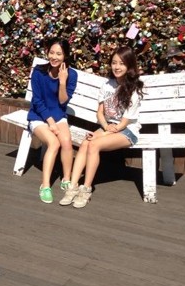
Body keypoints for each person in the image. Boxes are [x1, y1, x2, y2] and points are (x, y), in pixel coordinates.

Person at [59, 46, 144, 208]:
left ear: (130, 66)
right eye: (114, 63)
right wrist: (104, 127)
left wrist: (104, 134)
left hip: (127, 131)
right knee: (86, 143)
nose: (117, 67)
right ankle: (73, 186)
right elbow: (100, 114)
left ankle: (86, 188)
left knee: (94, 144)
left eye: (122, 63)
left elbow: (125, 122)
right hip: (108, 126)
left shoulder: (133, 90)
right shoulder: (107, 86)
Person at [27, 37, 78, 203]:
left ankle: (66, 179)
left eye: (59, 54)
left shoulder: (72, 74)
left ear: (65, 56)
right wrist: (51, 124)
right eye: (51, 53)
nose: (54, 57)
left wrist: (62, 82)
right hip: (39, 116)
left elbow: (63, 101)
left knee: (66, 141)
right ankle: (45, 185)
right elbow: (37, 101)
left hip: (58, 115)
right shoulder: (38, 72)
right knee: (54, 143)